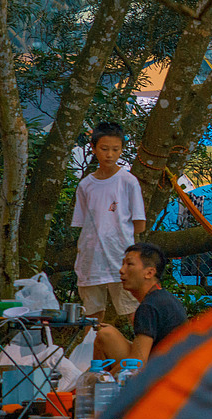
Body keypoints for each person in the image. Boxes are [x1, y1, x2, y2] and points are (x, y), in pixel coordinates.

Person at [71, 123, 146, 323]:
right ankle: (94, 352)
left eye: (115, 149)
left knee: (133, 311)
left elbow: (139, 224)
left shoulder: (128, 181)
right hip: (90, 258)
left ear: (122, 149)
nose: (110, 155)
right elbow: (84, 222)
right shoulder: (86, 185)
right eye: (104, 149)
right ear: (93, 149)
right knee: (92, 316)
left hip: (120, 257)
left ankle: (145, 352)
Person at [93, 243, 187, 367]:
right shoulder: (163, 297)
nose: (121, 270)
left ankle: (97, 382)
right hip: (169, 367)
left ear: (149, 273)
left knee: (105, 335)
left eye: (130, 264)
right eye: (123, 264)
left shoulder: (149, 306)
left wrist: (106, 378)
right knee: (107, 335)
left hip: (164, 375)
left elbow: (138, 363)